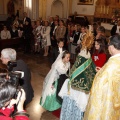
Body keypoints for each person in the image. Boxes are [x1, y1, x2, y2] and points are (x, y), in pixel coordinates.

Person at [59, 31, 96, 120]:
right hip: (85, 86)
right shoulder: (89, 55)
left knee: (72, 102)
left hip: (75, 86)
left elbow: (74, 69)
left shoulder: (81, 55)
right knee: (79, 106)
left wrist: (70, 75)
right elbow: (91, 70)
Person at [84, 35, 120, 120]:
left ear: (112, 47)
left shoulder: (112, 64)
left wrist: (98, 74)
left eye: (108, 46)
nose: (108, 48)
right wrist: (101, 71)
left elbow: (100, 84)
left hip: (109, 100)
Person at [39, 50, 70, 118]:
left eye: (69, 57)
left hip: (62, 79)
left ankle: (59, 104)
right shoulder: (58, 64)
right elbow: (62, 72)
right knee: (54, 93)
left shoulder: (67, 63)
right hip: (56, 79)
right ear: (63, 57)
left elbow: (66, 72)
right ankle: (51, 105)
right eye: (67, 57)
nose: (68, 59)